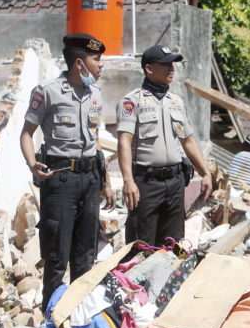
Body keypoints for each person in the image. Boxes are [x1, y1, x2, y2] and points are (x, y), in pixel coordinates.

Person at [20, 33, 115, 313]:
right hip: (60, 180)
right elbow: (27, 134)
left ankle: (79, 318)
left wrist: (106, 181)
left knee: (85, 256)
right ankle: (52, 318)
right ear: (78, 63)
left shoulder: (95, 93)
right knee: (57, 255)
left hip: (89, 179)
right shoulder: (47, 91)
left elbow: (96, 142)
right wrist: (31, 162)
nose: (101, 65)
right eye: (96, 60)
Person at [117, 45, 212, 247]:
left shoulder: (176, 101)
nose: (171, 69)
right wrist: (128, 181)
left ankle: (171, 277)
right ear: (149, 69)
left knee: (173, 243)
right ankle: (138, 278)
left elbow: (188, 140)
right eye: (165, 65)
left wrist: (205, 173)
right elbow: (124, 142)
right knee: (142, 243)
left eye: (172, 64)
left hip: (175, 182)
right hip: (146, 183)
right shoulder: (132, 101)